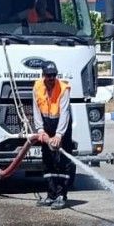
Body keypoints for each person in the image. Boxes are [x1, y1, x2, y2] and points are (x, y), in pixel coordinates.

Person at [33, 61, 75, 209]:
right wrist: (40, 130)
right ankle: (51, 195)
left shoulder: (63, 88)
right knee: (48, 161)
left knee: (62, 162)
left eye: (54, 75)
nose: (51, 78)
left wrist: (58, 135)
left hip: (62, 127)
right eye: (48, 75)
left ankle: (61, 195)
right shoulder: (37, 87)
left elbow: (64, 114)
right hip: (46, 125)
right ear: (43, 75)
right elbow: (36, 110)